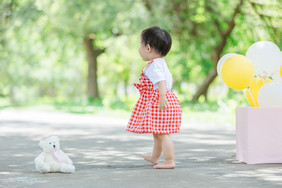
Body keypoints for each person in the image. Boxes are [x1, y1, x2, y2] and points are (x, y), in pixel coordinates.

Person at [126, 26, 182, 169]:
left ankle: (170, 161)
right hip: (164, 98)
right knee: (158, 132)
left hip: (161, 100)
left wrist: (162, 96)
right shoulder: (160, 62)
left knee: (163, 134)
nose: (139, 49)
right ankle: (155, 157)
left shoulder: (153, 66)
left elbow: (160, 81)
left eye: (140, 45)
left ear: (148, 48)